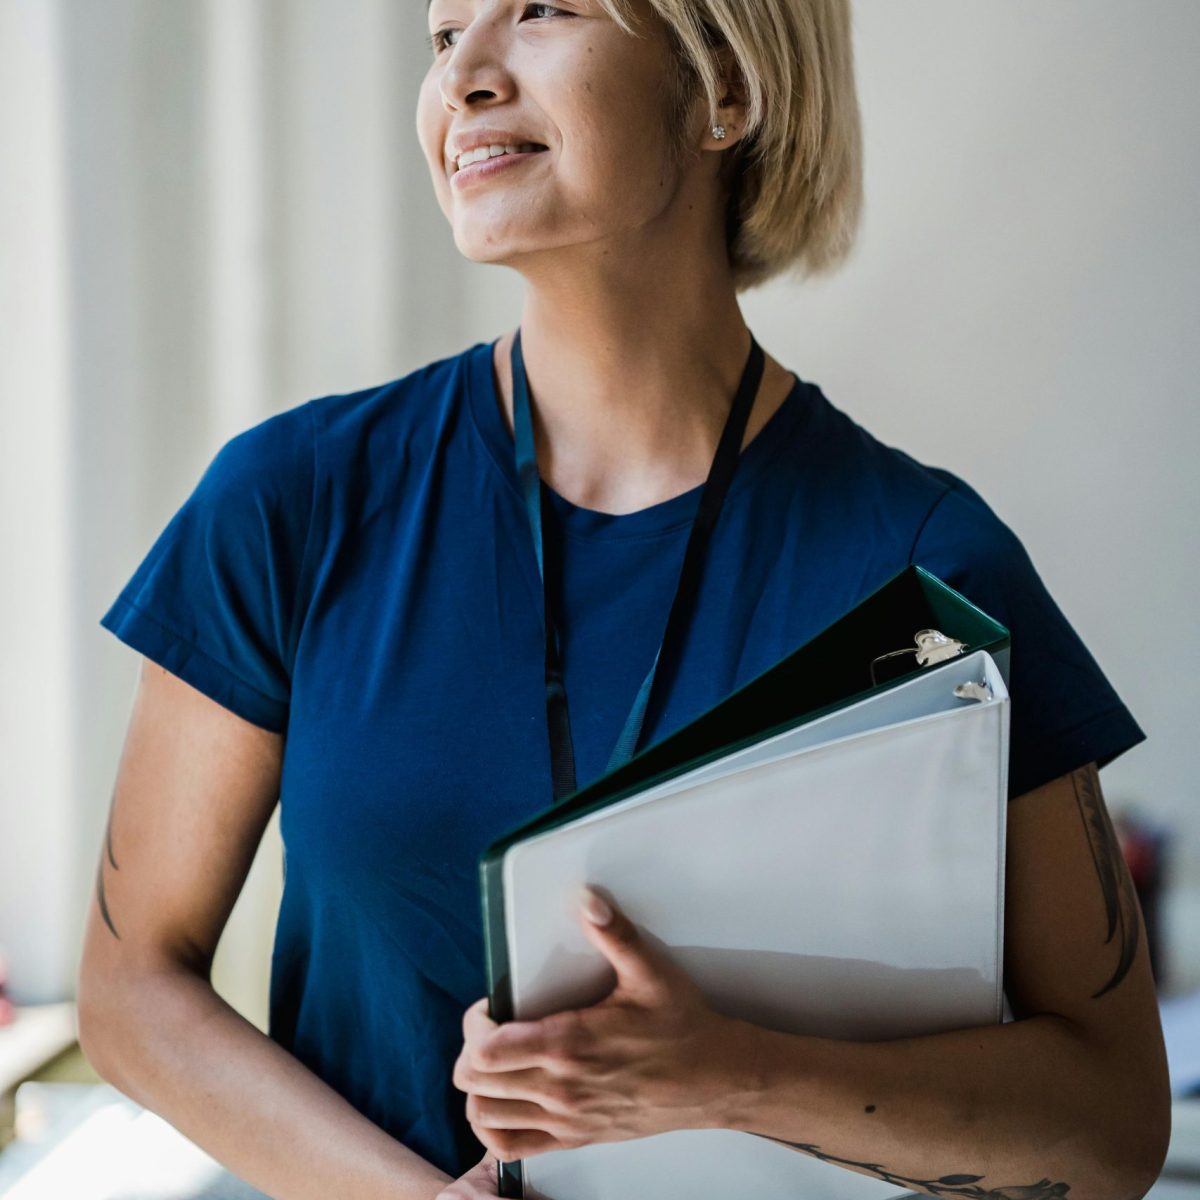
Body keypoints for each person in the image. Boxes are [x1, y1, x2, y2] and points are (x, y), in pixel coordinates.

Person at [77, 1, 1170, 1197]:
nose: (466, 78)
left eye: (542, 9)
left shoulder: (928, 573)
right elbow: (133, 990)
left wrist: (731, 1074)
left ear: (725, 90)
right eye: (444, 37)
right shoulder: (289, 503)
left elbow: (1110, 1129)